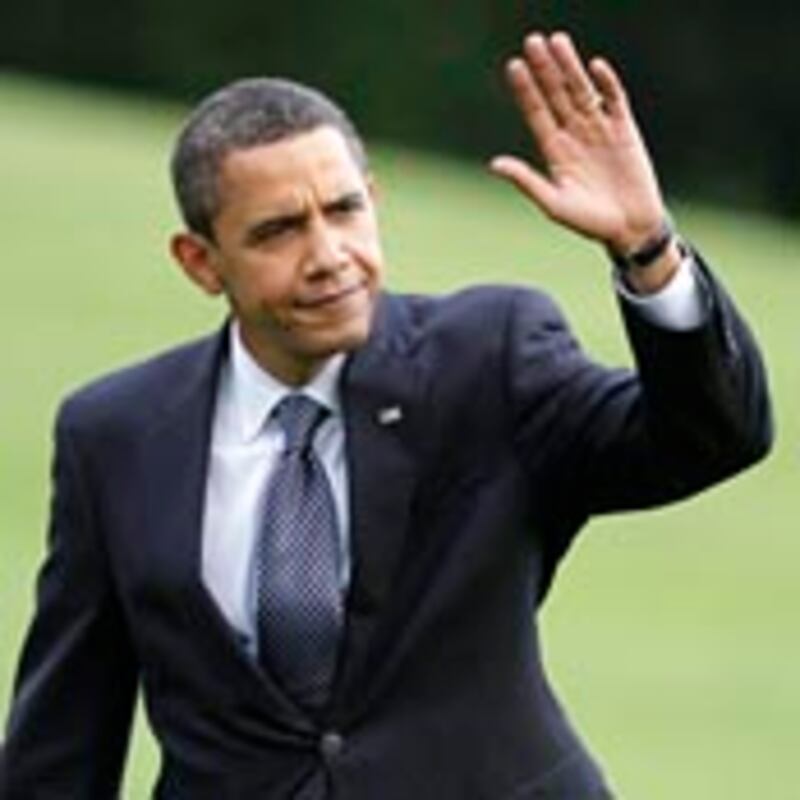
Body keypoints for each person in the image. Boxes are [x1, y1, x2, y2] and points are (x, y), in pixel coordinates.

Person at [0, 30, 772, 799]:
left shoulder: (488, 357)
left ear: (373, 200)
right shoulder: (115, 434)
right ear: (201, 262)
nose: (328, 255)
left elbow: (709, 437)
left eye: (344, 210)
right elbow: (62, 742)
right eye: (278, 231)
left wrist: (647, 250)